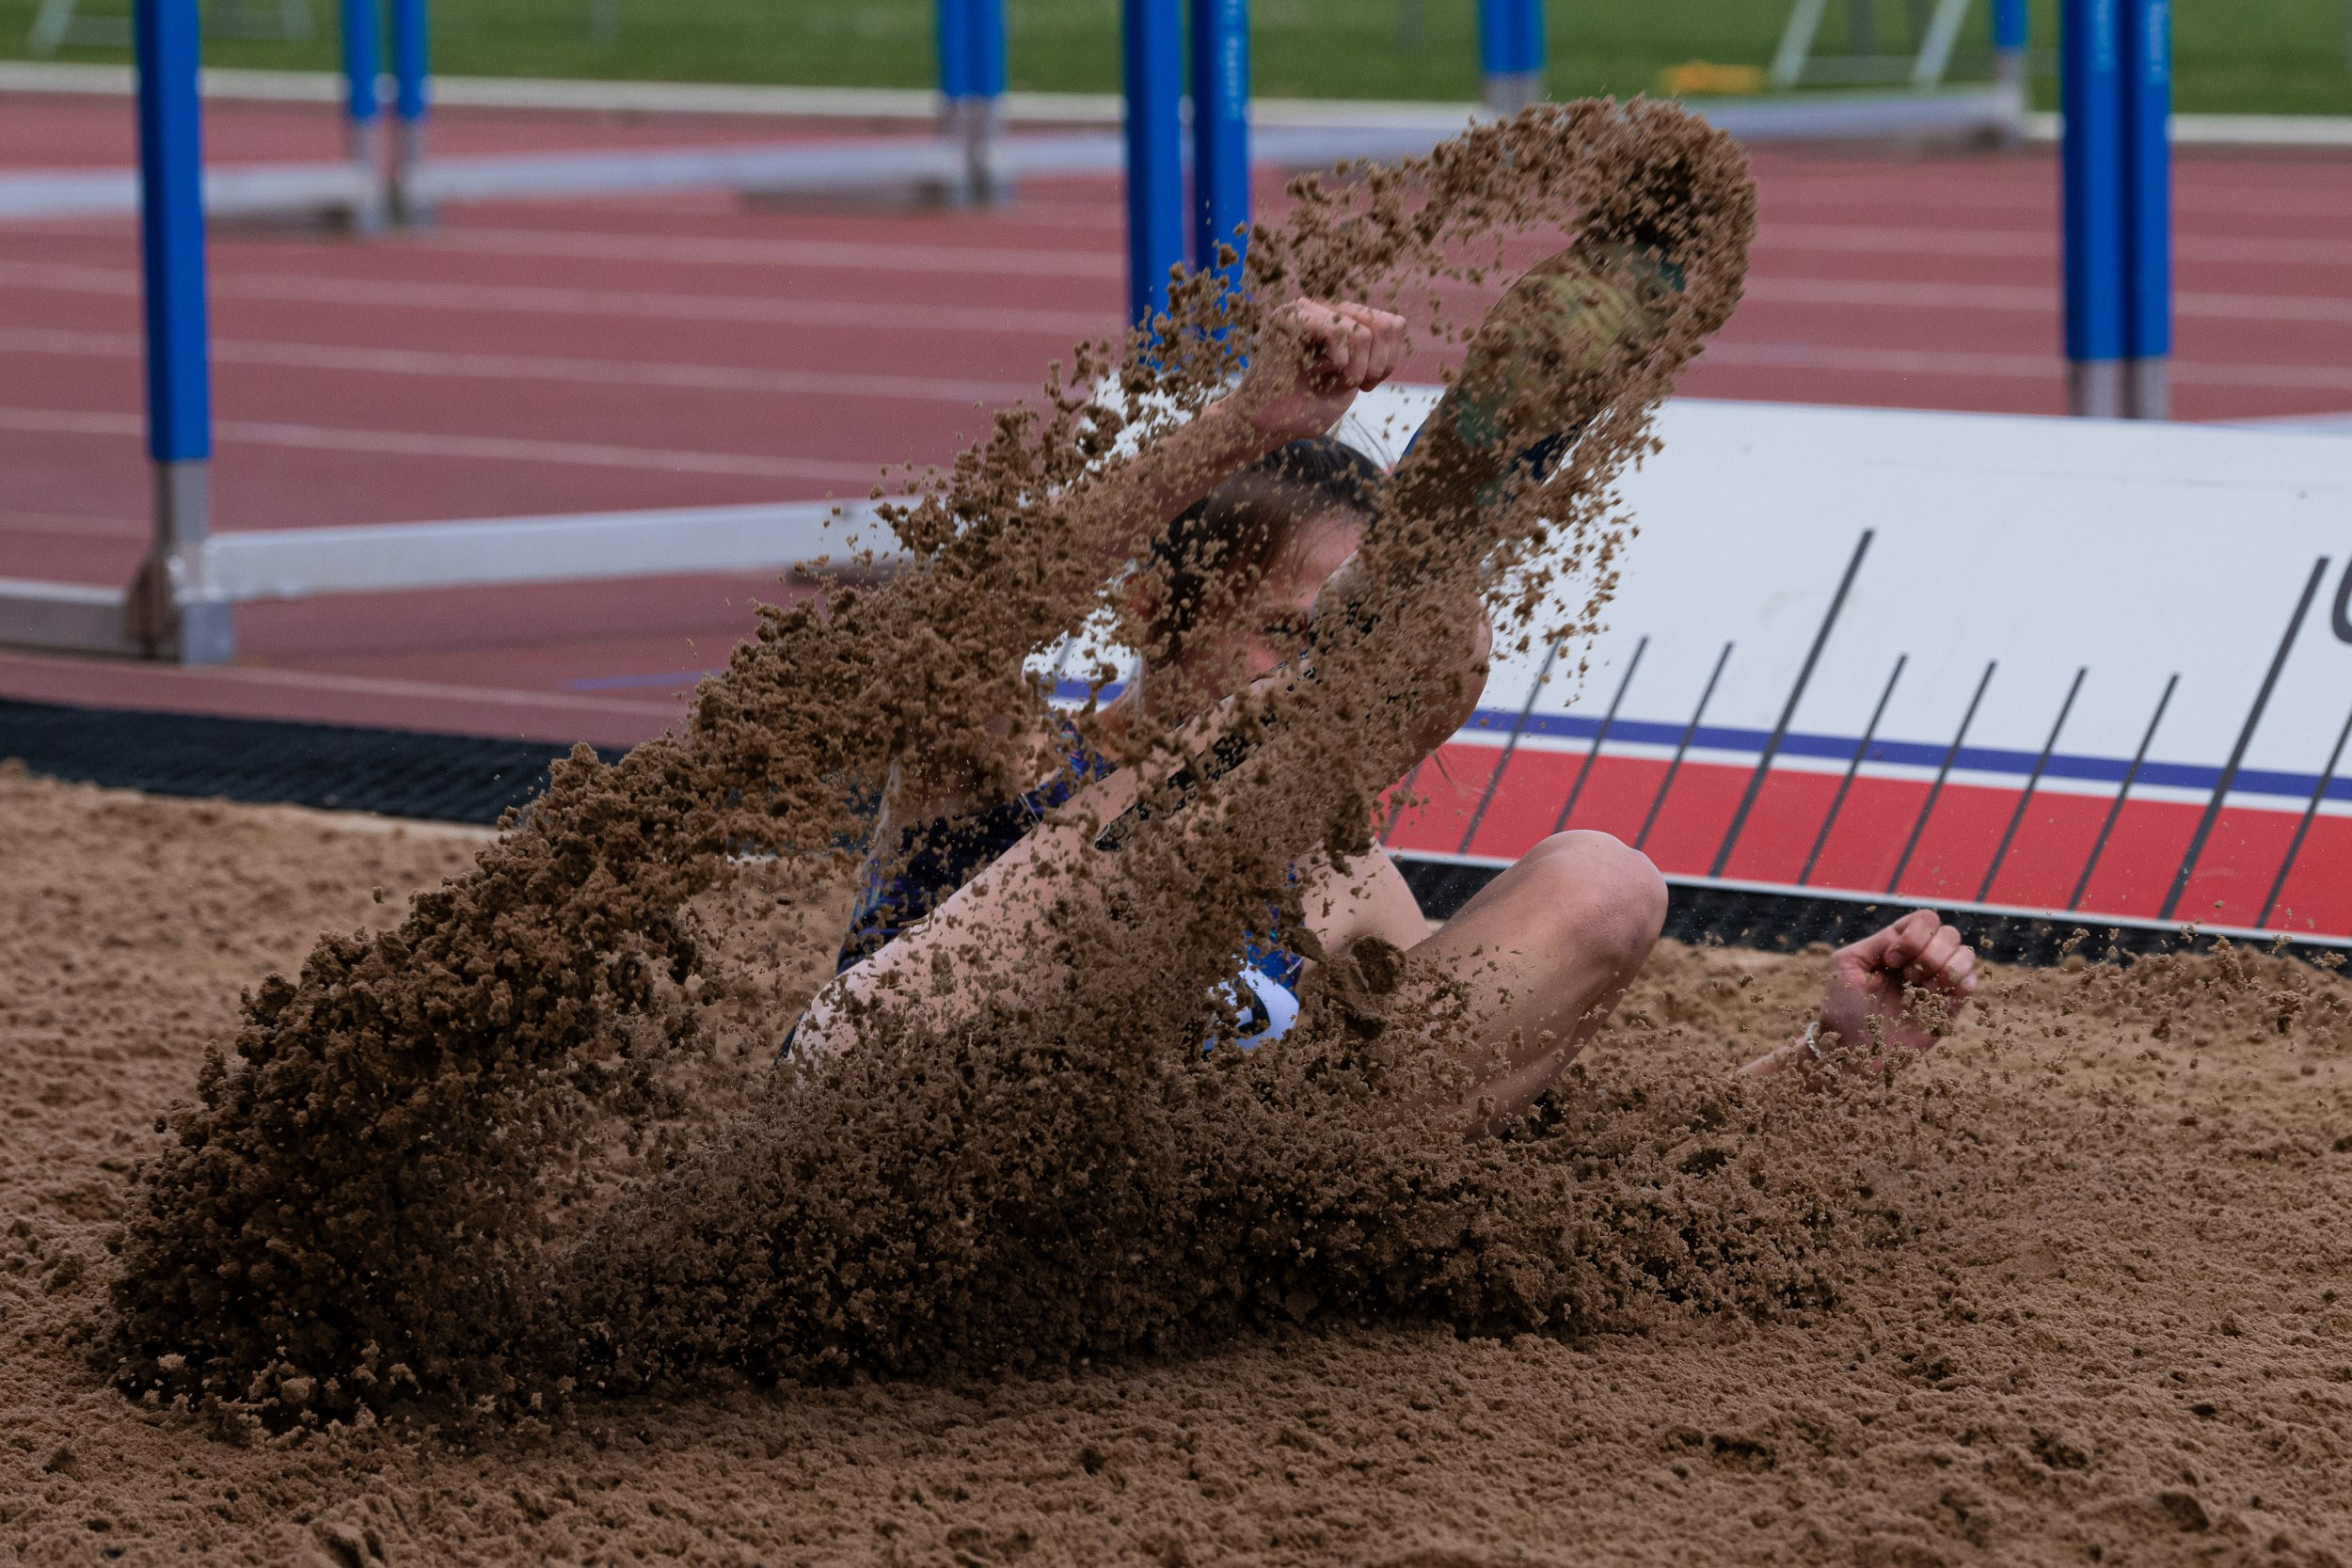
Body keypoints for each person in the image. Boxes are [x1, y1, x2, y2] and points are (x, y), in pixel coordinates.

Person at [791, 292, 1979, 1119]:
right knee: (1255, 745)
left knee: (1604, 881)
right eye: (1287, 636)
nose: (1324, 686)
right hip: (868, 1132)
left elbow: (1530, 1158)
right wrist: (1239, 429)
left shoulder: (1345, 888)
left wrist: (1826, 1060)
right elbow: (947, 623)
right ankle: (1433, 552)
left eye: (1348, 655)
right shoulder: (1005, 751)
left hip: (1109, 1233)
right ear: (1151, 611)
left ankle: (1427, 568)